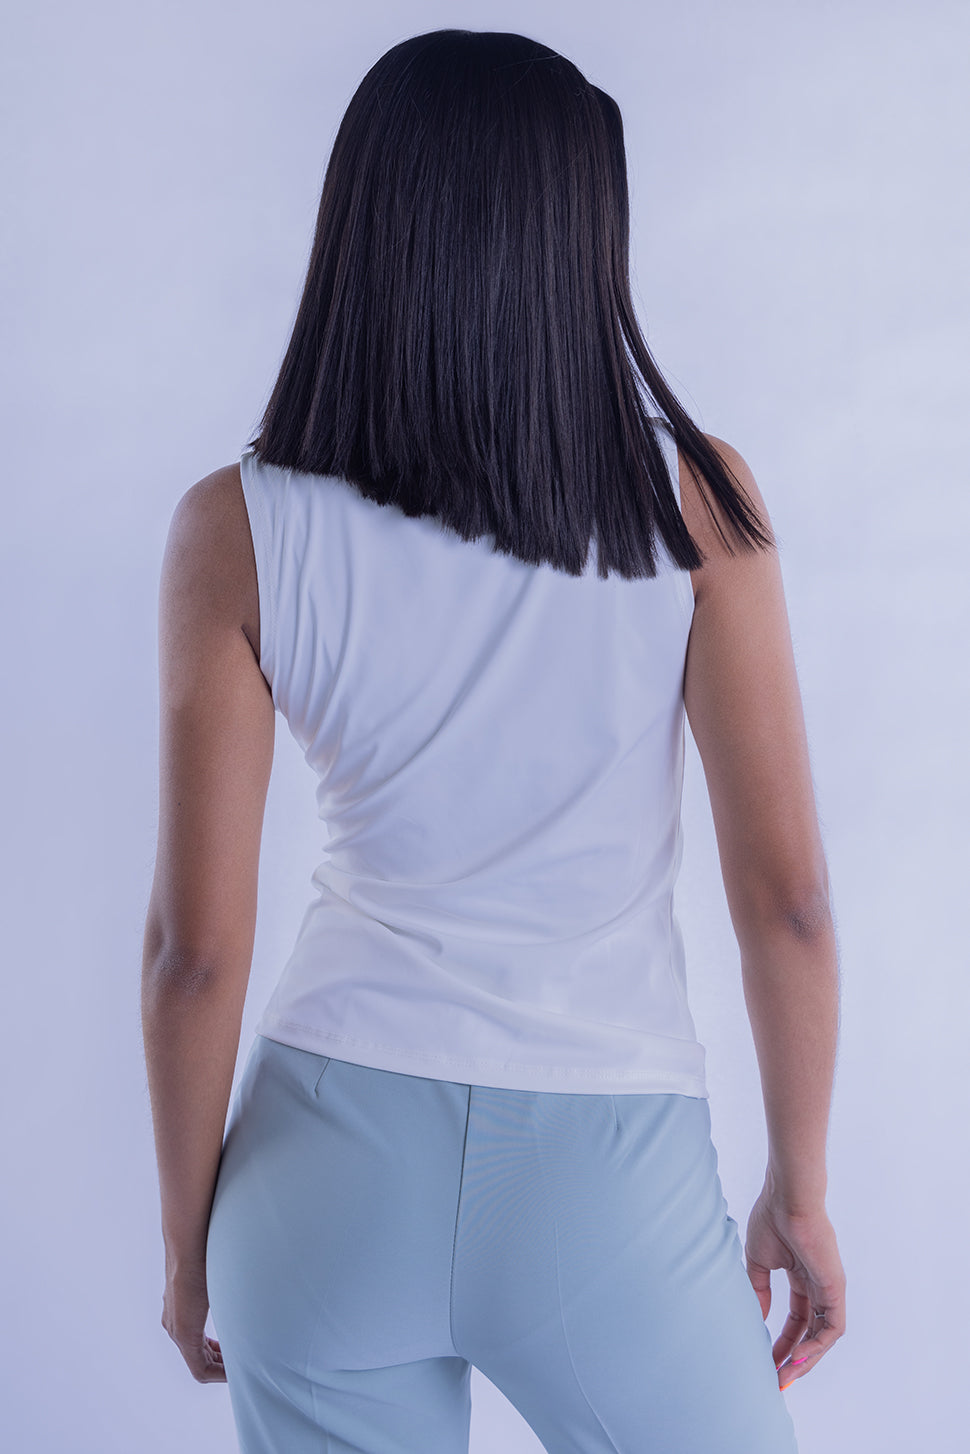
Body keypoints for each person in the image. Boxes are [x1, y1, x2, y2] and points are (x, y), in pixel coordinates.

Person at [141, 28, 846, 1454]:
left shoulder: (237, 527)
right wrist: (800, 1188)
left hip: (323, 1165)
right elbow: (786, 901)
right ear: (579, 239)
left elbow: (194, 953)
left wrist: (189, 1241)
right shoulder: (695, 506)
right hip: (608, 1176)